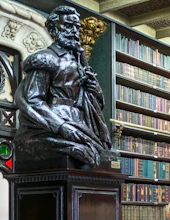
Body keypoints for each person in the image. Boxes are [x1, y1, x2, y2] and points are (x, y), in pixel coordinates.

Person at [14, 5, 112, 168]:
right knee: (85, 153)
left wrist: (93, 88)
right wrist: (61, 126)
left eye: (76, 27)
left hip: (81, 123)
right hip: (56, 121)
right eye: (67, 26)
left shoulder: (80, 62)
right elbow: (33, 101)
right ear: (53, 29)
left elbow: (97, 105)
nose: (73, 31)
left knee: (106, 157)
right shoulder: (45, 59)